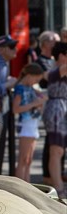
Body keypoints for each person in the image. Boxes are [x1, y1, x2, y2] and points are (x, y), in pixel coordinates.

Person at [0, 34, 18, 175]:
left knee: (0, 145)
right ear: (1, 49)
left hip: (3, 107)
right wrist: (8, 83)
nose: (15, 49)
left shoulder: (3, 62)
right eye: (11, 47)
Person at [13, 63, 46, 182]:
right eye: (36, 79)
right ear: (29, 75)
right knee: (23, 159)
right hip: (26, 126)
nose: (36, 82)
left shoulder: (31, 88)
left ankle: (28, 185)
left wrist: (39, 103)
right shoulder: (20, 88)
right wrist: (34, 104)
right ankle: (19, 188)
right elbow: (15, 109)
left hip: (33, 124)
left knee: (28, 160)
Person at [34, 30, 59, 184]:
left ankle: (58, 171)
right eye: (54, 41)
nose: (57, 45)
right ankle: (47, 174)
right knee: (51, 139)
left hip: (59, 103)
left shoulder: (57, 60)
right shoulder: (39, 62)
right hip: (47, 104)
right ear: (44, 44)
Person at [42, 42, 67, 198]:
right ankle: (58, 187)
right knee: (56, 150)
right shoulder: (57, 70)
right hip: (57, 110)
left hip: (61, 109)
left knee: (59, 150)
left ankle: (58, 185)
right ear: (62, 55)